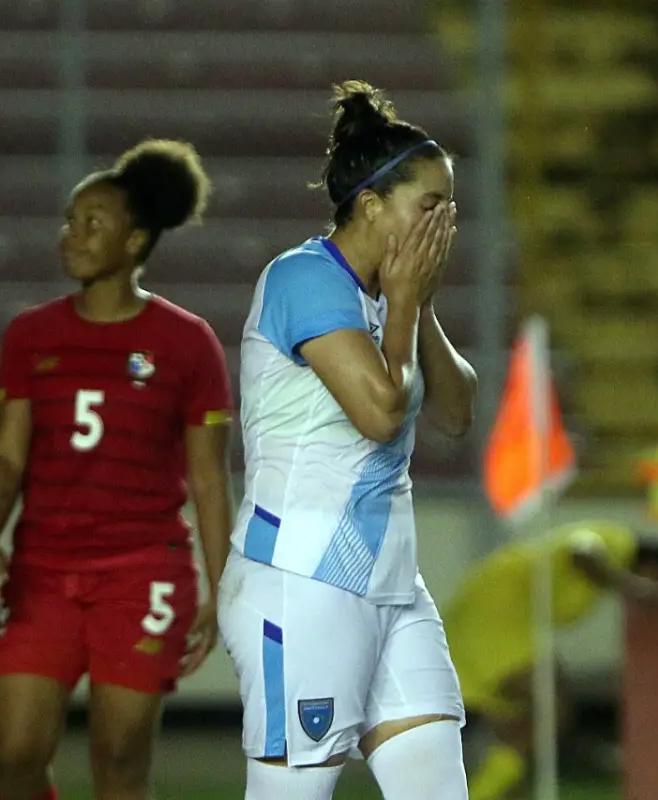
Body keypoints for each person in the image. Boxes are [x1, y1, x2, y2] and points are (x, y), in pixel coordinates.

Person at [217, 80, 478, 800]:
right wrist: (401, 304)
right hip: (302, 582)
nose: (446, 222)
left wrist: (416, 304)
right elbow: (382, 414)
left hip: (392, 585)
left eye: (450, 207)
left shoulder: (394, 296)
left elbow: (456, 414)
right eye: (431, 204)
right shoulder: (304, 279)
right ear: (370, 205)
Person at [0, 140, 234, 800]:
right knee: (14, 755)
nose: (73, 235)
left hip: (142, 571)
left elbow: (208, 477)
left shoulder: (185, 342)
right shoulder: (30, 337)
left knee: (119, 759)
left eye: (94, 222)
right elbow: (7, 454)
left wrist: (222, 583)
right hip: (43, 571)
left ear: (137, 239)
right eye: (69, 220)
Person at [441, 520, 658, 800]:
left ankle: (489, 786)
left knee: (521, 721)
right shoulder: (619, 543)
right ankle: (478, 792)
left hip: (498, 623)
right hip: (497, 620)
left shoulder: (605, 569)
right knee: (553, 707)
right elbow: (582, 550)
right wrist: (633, 586)